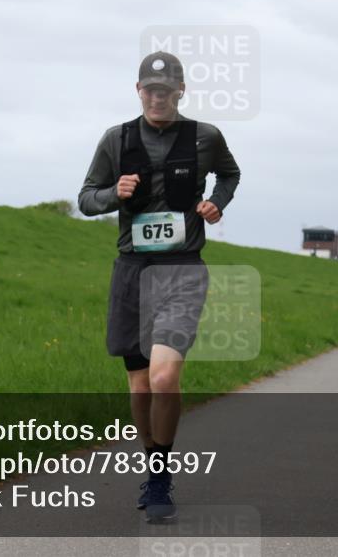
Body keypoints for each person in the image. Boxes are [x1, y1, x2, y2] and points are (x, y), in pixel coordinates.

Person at [78, 51, 241, 523]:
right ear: (138, 91)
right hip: (132, 273)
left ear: (180, 91)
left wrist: (216, 202)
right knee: (140, 388)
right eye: (150, 90)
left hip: (183, 270)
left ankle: (161, 478)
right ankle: (154, 467)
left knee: (164, 377)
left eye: (166, 90)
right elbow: (87, 198)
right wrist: (115, 194)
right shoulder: (117, 139)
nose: (157, 97)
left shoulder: (205, 137)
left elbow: (230, 174)